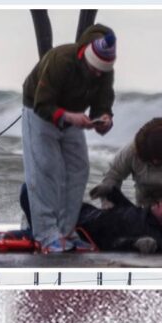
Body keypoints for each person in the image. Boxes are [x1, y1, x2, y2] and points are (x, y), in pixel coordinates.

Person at [22, 23, 116, 253]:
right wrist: (69, 117)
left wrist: (104, 120)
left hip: (73, 116)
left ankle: (65, 231)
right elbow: (42, 104)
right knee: (46, 168)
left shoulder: (104, 73)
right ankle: (46, 234)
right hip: (39, 111)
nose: (97, 73)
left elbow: (102, 105)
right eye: (94, 67)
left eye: (102, 70)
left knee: (79, 168)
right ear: (85, 53)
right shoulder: (61, 60)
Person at [20, 184, 162, 254]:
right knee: (42, 182)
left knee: (28, 190)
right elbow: (128, 209)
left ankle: (34, 232)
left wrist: (134, 244)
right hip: (83, 211)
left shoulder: (153, 236)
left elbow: (114, 243)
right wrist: (112, 192)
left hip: (78, 227)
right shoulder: (148, 215)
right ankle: (33, 226)